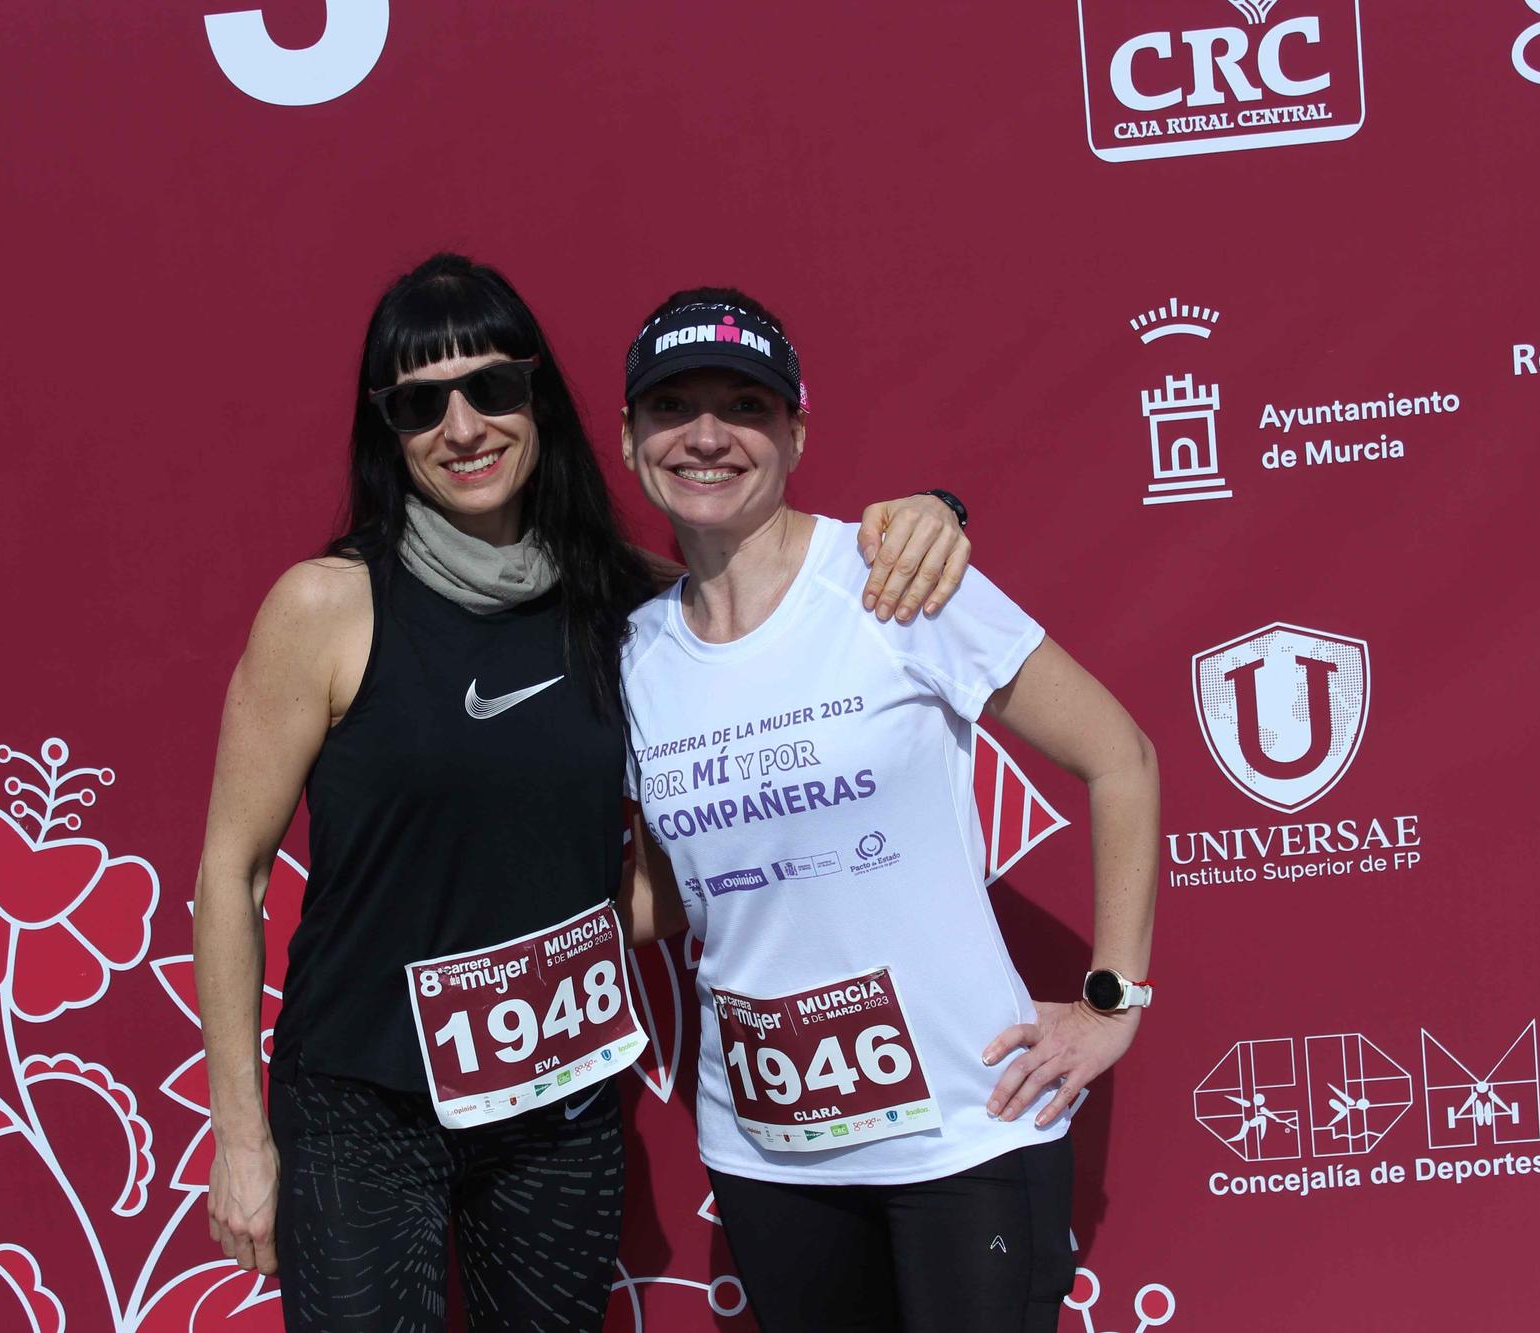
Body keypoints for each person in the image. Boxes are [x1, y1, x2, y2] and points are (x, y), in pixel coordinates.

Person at [191, 253, 977, 1332]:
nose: (463, 425)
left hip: (557, 1101)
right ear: (389, 429)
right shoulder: (327, 605)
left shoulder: (624, 600)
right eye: (422, 403)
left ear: (540, 400)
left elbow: (783, 579)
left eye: (493, 389)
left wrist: (928, 513)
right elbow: (229, 875)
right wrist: (240, 1136)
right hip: (360, 1104)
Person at [615, 287, 1160, 1333]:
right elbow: (679, 894)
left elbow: (1121, 758)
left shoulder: (894, 580)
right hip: (769, 1152)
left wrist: (1110, 999)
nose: (707, 435)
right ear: (632, 438)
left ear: (795, 431)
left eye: (744, 405)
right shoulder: (633, 656)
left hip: (965, 1134)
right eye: (672, 406)